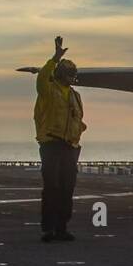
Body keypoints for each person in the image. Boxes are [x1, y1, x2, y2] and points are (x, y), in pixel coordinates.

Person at [34, 36, 86, 242]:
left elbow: (78, 119)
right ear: (60, 74)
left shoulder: (75, 95)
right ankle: (48, 229)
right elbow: (42, 77)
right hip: (51, 144)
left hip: (69, 147)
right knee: (52, 187)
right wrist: (54, 58)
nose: (72, 77)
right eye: (69, 74)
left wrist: (78, 135)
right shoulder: (47, 90)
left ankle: (62, 227)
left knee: (67, 188)